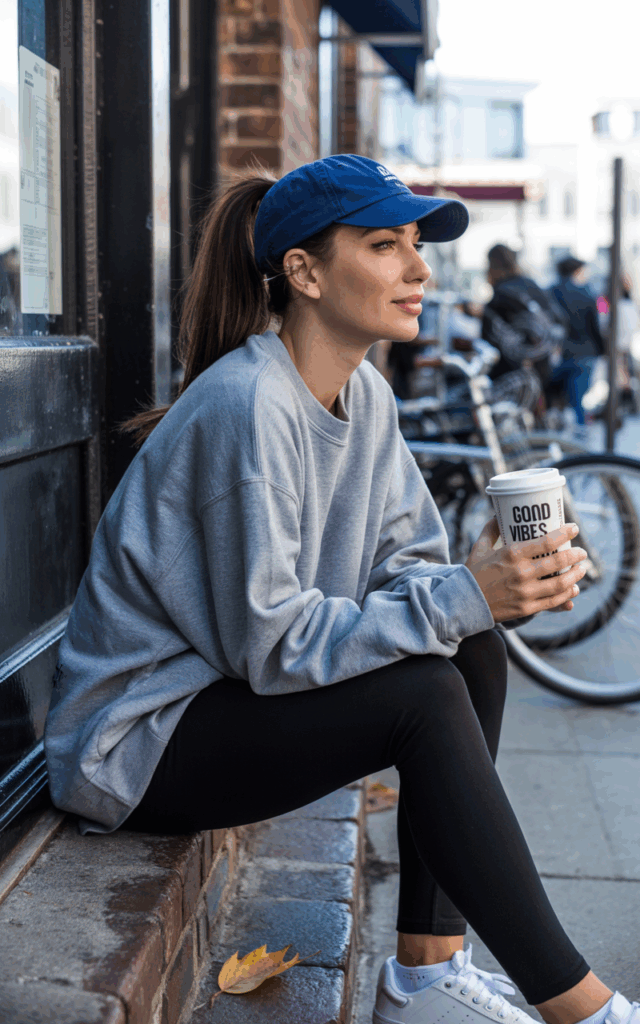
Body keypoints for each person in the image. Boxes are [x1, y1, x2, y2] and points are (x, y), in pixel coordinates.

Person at [43, 155, 638, 1024]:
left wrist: (488, 580)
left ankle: (427, 973)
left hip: (228, 697)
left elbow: (407, 568)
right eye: (386, 245)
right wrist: (462, 594)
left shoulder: (365, 395)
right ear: (305, 272)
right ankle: (582, 1009)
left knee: (469, 644)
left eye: (416, 247)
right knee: (431, 691)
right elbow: (276, 645)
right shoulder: (249, 406)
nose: (419, 269)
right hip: (136, 742)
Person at [481, 244, 566, 416]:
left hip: (512, 366)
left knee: (510, 416)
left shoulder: (501, 292)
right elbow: (559, 319)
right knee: (536, 413)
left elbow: (491, 334)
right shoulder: (532, 285)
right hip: (541, 360)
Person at [549, 256, 606, 428]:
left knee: (555, 399)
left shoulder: (552, 292)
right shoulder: (587, 294)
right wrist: (602, 350)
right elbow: (595, 326)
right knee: (578, 401)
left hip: (558, 354)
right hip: (585, 353)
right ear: (577, 271)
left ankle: (557, 435)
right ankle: (580, 439)